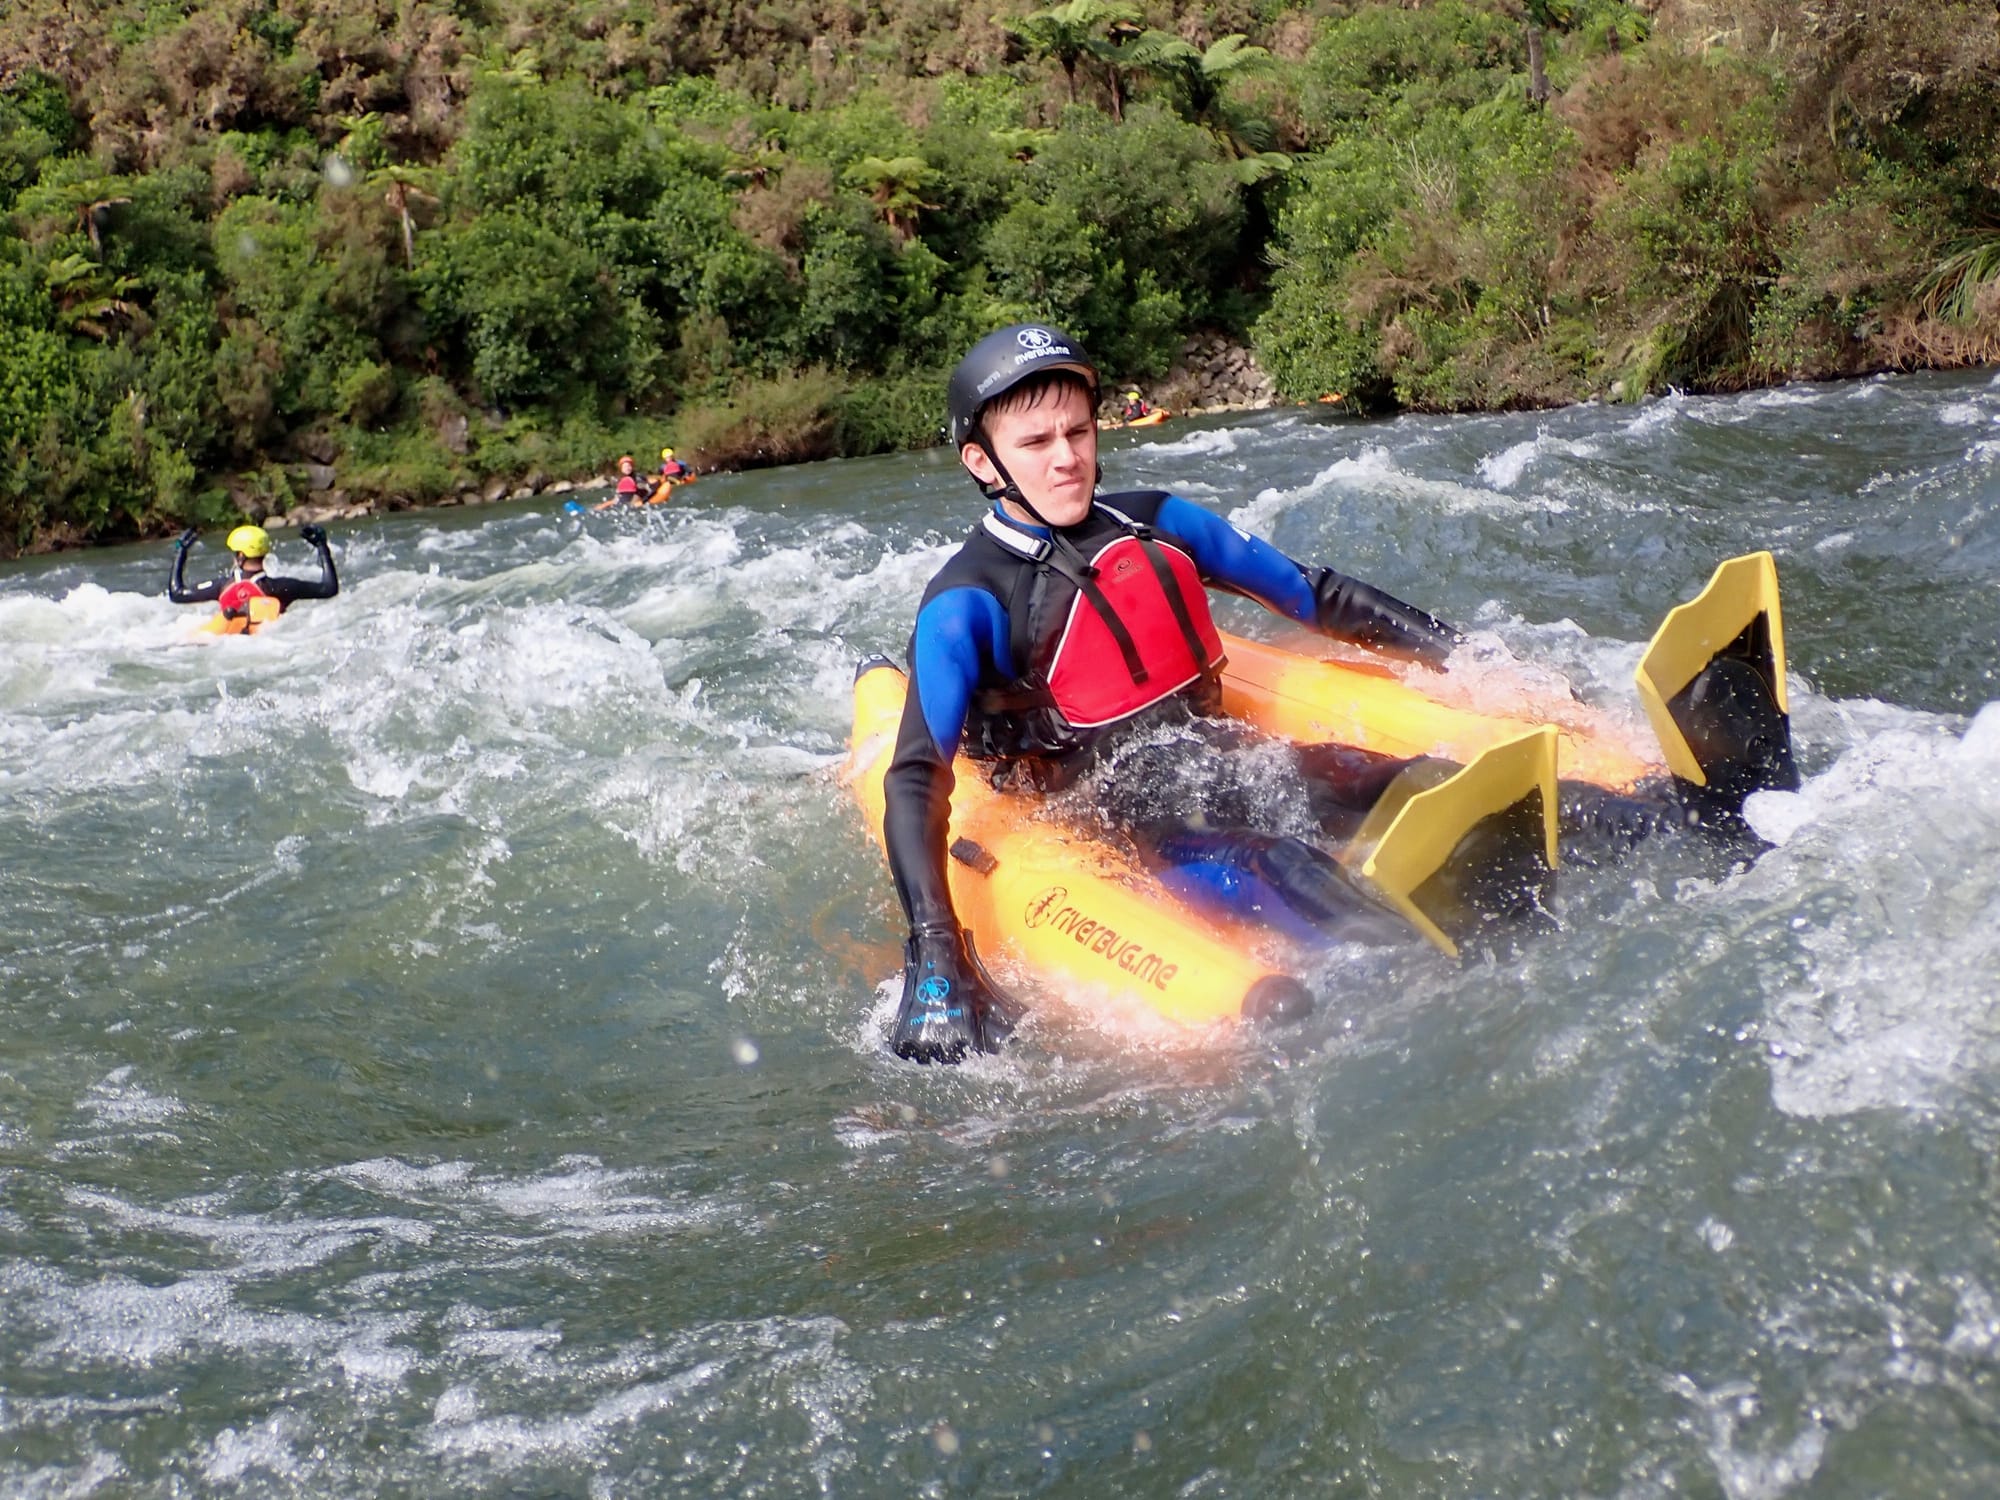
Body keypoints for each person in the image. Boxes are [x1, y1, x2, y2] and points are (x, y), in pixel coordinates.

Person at [882, 324, 1482, 1065]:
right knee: (1284, 863)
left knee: (1422, 781)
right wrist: (936, 945)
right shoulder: (965, 601)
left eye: (1078, 431)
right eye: (1036, 442)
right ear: (982, 460)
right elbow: (916, 778)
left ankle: (1617, 821)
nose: (1067, 457)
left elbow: (1316, 595)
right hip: (1125, 822)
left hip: (1224, 757)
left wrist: (1469, 658)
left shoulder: (1157, 522)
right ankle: (1452, 997)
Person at [168, 522, 338, 626]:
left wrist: (180, 552)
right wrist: (322, 547)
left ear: (240, 556)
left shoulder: (222, 586)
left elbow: (177, 593)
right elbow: (329, 588)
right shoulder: (282, 587)